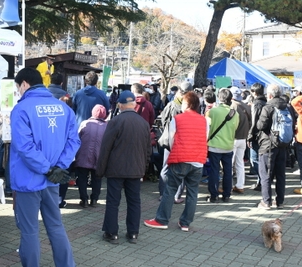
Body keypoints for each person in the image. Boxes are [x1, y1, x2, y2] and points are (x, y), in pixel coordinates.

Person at [10, 67, 80, 267]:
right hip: (52, 180)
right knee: (55, 226)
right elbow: (73, 141)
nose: (18, 92)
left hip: (28, 180)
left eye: (18, 87)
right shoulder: (64, 108)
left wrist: (47, 169)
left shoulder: (22, 109)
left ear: (24, 84)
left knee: (30, 231)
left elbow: (24, 146)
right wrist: (58, 168)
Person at [143, 91, 208, 231]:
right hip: (197, 160)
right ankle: (185, 223)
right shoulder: (204, 120)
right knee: (193, 193)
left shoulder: (177, 119)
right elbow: (205, 138)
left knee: (170, 189)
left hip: (181, 158)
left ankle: (162, 220)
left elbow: (171, 140)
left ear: (186, 104)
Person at [96, 90, 151, 245]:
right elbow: (148, 151)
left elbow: (106, 148)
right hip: (136, 169)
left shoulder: (115, 122)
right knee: (134, 201)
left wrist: (100, 170)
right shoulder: (144, 124)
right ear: (133, 104)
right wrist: (144, 169)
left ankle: (111, 233)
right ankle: (133, 233)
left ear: (119, 104)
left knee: (113, 201)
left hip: (116, 169)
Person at [255, 84, 288, 209]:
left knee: (266, 173)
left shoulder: (268, 107)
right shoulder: (287, 107)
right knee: (280, 174)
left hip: (268, 144)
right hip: (283, 143)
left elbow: (261, 125)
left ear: (269, 95)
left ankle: (266, 201)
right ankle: (280, 201)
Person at [206, 88, 239, 203]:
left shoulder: (213, 112)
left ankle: (213, 195)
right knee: (228, 171)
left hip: (214, 145)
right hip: (228, 145)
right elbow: (235, 128)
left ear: (219, 98)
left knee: (214, 171)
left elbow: (207, 127)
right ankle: (226, 195)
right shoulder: (235, 113)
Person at [75, 104, 108, 207]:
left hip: (83, 155)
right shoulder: (107, 126)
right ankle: (94, 199)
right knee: (97, 179)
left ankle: (84, 199)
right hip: (99, 157)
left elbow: (77, 138)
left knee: (82, 178)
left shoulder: (85, 123)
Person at [229, 86, 251, 194]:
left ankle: (227, 186)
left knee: (229, 163)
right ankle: (240, 185)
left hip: (233, 138)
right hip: (243, 138)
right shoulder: (246, 106)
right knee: (239, 163)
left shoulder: (231, 107)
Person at [247, 82, 266, 191]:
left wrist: (249, 136)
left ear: (254, 92)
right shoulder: (266, 103)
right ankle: (262, 181)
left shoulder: (256, 104)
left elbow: (254, 122)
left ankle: (261, 181)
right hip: (265, 135)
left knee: (254, 159)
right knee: (261, 159)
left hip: (256, 135)